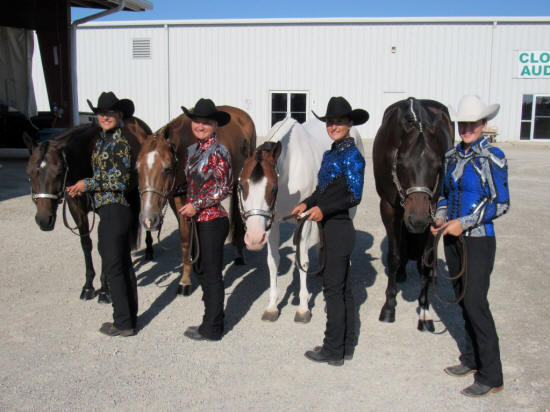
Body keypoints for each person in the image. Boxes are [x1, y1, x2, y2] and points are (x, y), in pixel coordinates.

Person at [430, 95, 510, 397]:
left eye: (472, 124)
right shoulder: (451, 156)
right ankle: (472, 358)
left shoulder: (492, 156)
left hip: (479, 241)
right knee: (463, 299)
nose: (466, 129)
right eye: (462, 124)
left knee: (476, 303)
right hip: (451, 238)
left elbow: (500, 203)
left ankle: (492, 375)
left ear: (483, 124)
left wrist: (464, 223)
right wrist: (440, 217)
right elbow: (445, 195)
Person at [291, 96, 367, 365]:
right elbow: (322, 191)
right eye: (330, 122)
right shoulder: (330, 154)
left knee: (333, 290)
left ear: (349, 124)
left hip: (339, 228)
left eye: (340, 122)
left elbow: (353, 195)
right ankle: (345, 345)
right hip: (330, 227)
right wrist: (307, 202)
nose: (334, 126)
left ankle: (332, 349)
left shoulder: (353, 155)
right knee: (342, 289)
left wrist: (323, 209)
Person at [66, 91, 138, 337]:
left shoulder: (120, 143)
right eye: (101, 113)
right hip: (109, 209)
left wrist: (87, 184)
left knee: (114, 267)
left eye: (110, 113)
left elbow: (121, 180)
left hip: (115, 209)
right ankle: (129, 318)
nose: (105, 117)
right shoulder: (102, 142)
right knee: (122, 265)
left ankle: (123, 323)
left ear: (119, 116)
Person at [179, 98, 232, 341]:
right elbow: (192, 184)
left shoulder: (220, 152)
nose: (200, 126)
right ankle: (212, 317)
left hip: (212, 219)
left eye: (206, 122)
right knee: (199, 269)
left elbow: (224, 188)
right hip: (196, 220)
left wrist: (197, 205)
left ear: (215, 126)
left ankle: (212, 328)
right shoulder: (191, 151)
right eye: (197, 121)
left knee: (211, 275)